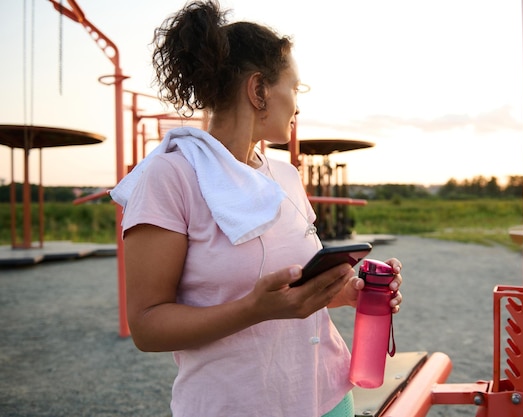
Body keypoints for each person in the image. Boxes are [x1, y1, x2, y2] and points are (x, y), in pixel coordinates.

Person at [110, 1, 403, 416]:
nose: (298, 105)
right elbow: (146, 326)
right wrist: (253, 310)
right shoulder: (169, 177)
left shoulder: (285, 177)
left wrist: (349, 292)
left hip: (330, 397)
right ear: (258, 89)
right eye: (295, 88)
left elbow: (295, 293)